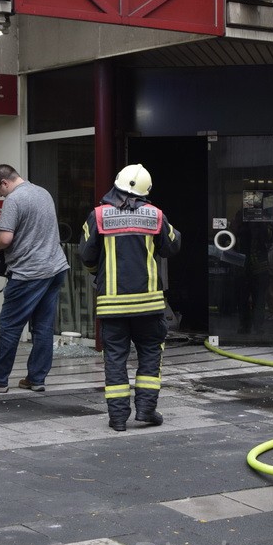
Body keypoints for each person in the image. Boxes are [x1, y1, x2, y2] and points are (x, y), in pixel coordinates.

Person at [79, 164, 182, 431]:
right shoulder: (155, 215)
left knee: (115, 358)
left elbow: (87, 256)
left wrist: (98, 273)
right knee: (150, 354)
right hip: (149, 305)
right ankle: (146, 411)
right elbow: (172, 245)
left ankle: (117, 418)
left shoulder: (98, 216)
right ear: (146, 191)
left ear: (116, 184)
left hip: (112, 305)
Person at [0, 165, 69, 394]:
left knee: (10, 327)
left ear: (5, 182)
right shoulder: (42, 192)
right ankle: (36, 378)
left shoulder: (14, 199)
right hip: (55, 267)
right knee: (43, 327)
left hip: (29, 272)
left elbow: (5, 237)